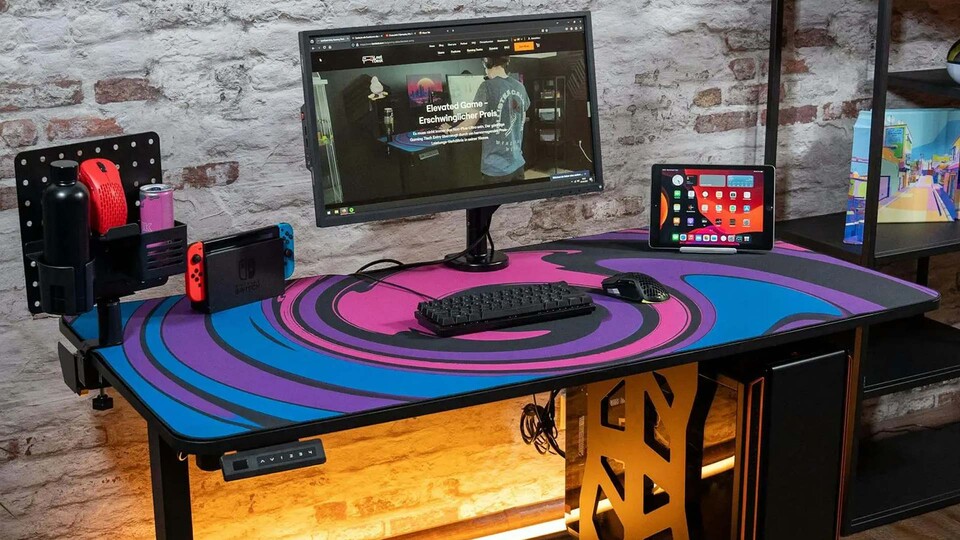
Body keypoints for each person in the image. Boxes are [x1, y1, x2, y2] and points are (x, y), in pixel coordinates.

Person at [441, 57, 530, 183]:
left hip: (496, 169)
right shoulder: (520, 86)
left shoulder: (486, 86)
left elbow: (467, 128)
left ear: (486, 62)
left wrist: (449, 130)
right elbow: (522, 119)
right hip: (518, 164)